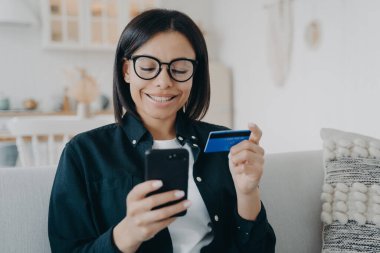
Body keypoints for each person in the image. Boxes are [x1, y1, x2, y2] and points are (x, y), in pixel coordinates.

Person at [48, 9, 276, 253]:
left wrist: (248, 193)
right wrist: (128, 233)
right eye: (147, 67)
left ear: (194, 75)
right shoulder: (84, 153)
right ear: (126, 71)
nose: (164, 81)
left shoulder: (224, 146)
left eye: (179, 69)